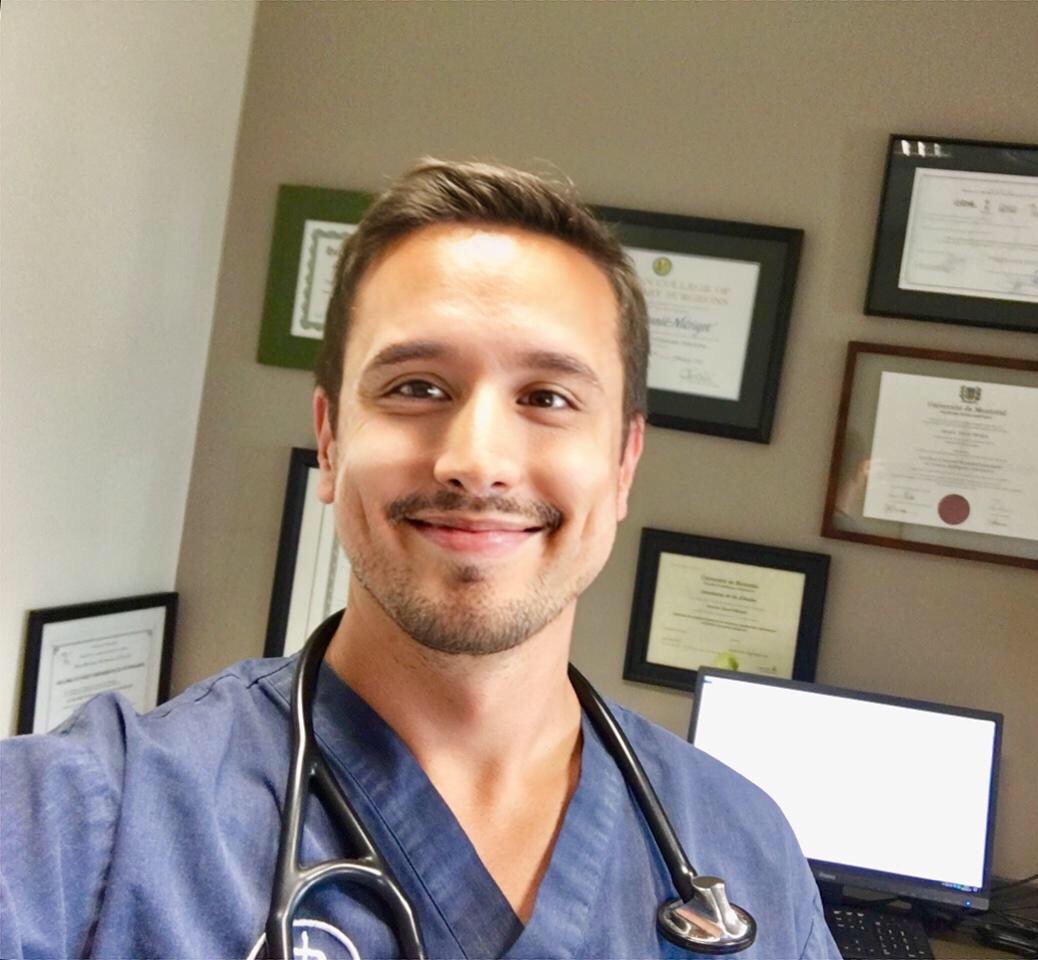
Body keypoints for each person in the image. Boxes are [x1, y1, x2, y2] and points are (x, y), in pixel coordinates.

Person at [0, 158, 837, 959]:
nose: (477, 461)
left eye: (548, 397)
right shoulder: (89, 822)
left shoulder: (745, 850)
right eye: (417, 388)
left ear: (623, 464)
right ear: (330, 441)